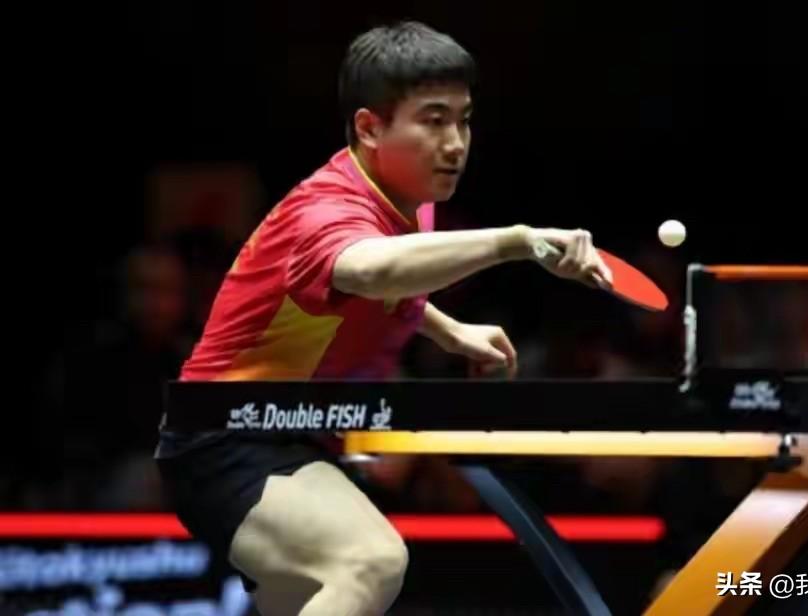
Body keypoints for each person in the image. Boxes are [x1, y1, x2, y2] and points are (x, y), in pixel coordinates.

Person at [155, 21, 613, 616]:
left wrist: (449, 331)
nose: (455, 143)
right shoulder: (326, 210)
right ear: (370, 127)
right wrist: (517, 241)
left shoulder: (410, 199)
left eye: (463, 120)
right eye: (433, 120)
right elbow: (366, 270)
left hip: (302, 431)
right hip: (226, 436)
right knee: (367, 560)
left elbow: (385, 283)